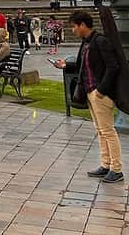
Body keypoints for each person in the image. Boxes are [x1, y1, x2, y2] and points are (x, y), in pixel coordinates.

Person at [52, 10, 124, 183]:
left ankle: (117, 168)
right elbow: (82, 66)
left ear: (83, 25)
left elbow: (112, 67)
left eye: (74, 26)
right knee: (100, 131)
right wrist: (65, 65)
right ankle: (106, 164)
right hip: (90, 91)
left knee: (108, 131)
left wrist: (101, 90)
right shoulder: (86, 43)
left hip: (99, 93)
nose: (73, 30)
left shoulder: (100, 42)